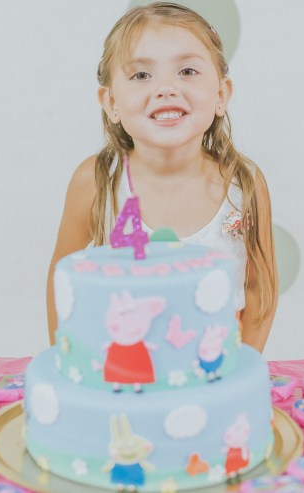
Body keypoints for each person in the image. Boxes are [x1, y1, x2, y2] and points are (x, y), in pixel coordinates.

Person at [46, 2, 277, 352]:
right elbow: (63, 283)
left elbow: (259, 290)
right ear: (111, 102)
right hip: (118, 371)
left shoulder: (244, 185)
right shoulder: (96, 181)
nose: (166, 88)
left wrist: (244, 367)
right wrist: (65, 359)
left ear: (221, 94)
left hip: (216, 370)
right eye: (141, 75)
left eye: (187, 71)